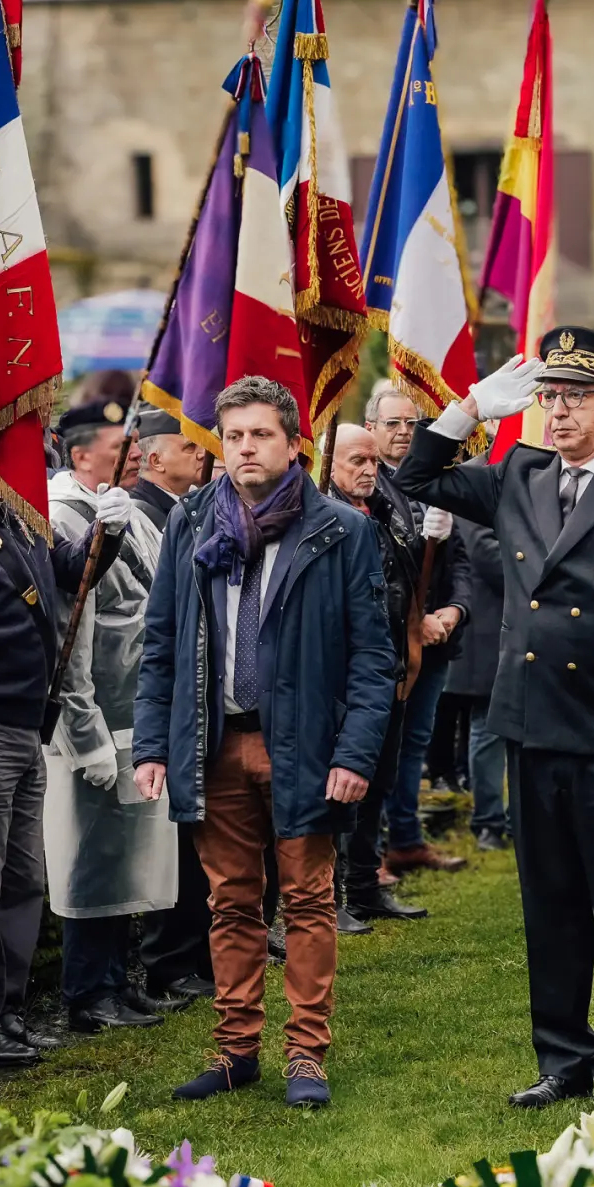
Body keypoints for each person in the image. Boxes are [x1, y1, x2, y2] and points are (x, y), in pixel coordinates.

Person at [395, 328, 594, 1117]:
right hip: (533, 724)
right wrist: (467, 409)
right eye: (549, 397)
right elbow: (415, 476)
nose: (558, 412)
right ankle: (561, 1056)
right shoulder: (519, 473)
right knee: (551, 903)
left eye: (576, 397)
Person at [133, 377, 396, 1108]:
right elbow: (162, 644)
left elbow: (375, 658)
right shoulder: (192, 522)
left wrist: (353, 754)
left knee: (308, 902)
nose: (247, 448)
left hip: (303, 746)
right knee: (231, 903)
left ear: (293, 444)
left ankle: (306, 1055)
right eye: (236, 436)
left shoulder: (341, 530)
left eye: (261, 435)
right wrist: (153, 743)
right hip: (213, 745)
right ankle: (234, 1049)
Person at [0, 399, 131, 1066]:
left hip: (28, 725)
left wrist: (105, 535)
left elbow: (71, 574)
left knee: (26, 879)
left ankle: (10, 1010)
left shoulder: (19, 518)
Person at [43, 404, 183, 1032]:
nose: (133, 453)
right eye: (117, 445)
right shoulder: (65, 515)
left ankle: (116, 983)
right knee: (88, 857)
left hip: (133, 710)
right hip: (94, 718)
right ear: (79, 456)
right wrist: (85, 736)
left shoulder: (122, 508)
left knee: (125, 852)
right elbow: (70, 640)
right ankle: (86, 994)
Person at [324, 423, 437, 929]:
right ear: (328, 463)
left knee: (378, 782)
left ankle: (366, 886)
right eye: (357, 462)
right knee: (341, 790)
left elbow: (402, 587)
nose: (370, 471)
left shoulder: (384, 510)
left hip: (389, 667)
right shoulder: (323, 518)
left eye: (373, 462)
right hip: (344, 678)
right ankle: (327, 895)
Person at [128, 408, 217, 999]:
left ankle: (201, 949)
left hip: (201, 687)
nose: (203, 451)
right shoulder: (143, 515)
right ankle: (169, 959)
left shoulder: (193, 510)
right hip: (158, 692)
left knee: (198, 838)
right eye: (190, 444)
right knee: (174, 841)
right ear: (153, 456)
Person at [366, 386, 472, 878]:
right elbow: (383, 569)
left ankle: (406, 839)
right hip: (391, 640)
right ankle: (374, 847)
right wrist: (417, 618)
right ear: (371, 429)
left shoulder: (434, 482)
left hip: (434, 638)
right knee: (380, 744)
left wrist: (453, 610)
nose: (404, 432)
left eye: (412, 424)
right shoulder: (366, 485)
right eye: (393, 424)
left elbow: (462, 561)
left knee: (417, 742)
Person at [447, 513, 509, 850]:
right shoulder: (479, 489)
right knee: (488, 729)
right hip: (489, 637)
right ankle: (489, 822)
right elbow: (491, 558)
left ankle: (515, 822)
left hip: (510, 636)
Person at [130, 407, 208, 534]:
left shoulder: (192, 502)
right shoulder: (137, 514)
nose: (203, 454)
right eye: (190, 447)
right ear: (156, 461)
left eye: (201, 445)